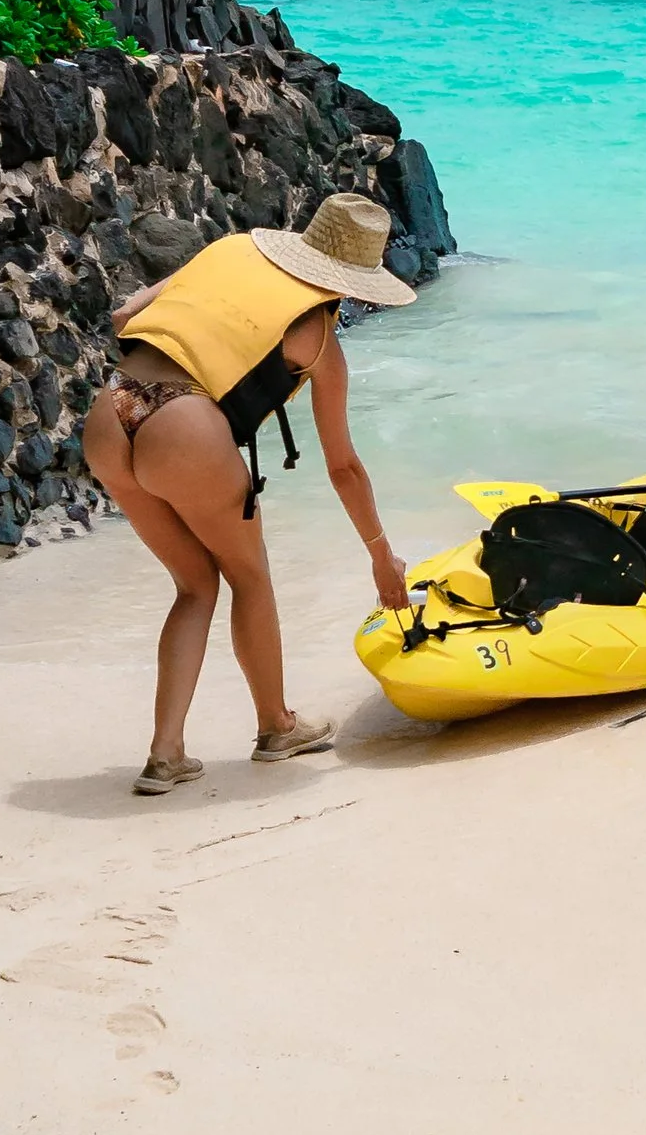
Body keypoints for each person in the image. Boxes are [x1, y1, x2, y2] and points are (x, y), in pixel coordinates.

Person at [82, 191, 414, 795]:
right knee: (248, 577)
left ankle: (166, 754)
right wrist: (380, 555)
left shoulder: (233, 247)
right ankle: (276, 726)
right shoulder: (317, 338)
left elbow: (125, 316)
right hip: (185, 431)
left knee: (193, 585)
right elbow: (343, 467)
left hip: (111, 412)